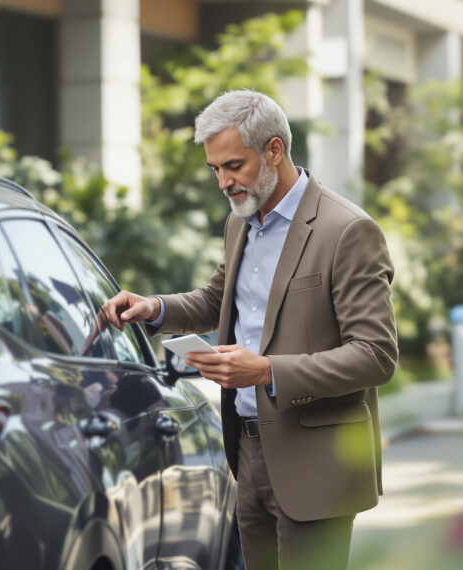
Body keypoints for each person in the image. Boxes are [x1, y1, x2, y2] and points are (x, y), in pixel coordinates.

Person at [102, 90, 397, 570]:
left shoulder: (348, 231)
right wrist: (153, 307)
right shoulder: (240, 224)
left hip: (316, 463)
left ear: (274, 150)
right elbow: (218, 302)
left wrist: (265, 371)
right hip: (247, 451)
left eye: (233, 165)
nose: (223, 181)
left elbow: (375, 355)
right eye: (215, 169)